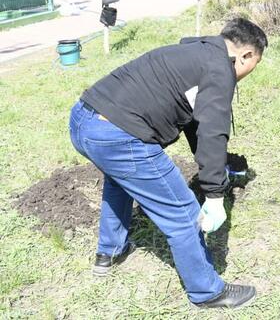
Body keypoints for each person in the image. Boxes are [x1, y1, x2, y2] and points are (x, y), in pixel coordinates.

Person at [69, 17, 267, 309]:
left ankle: (109, 252)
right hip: (117, 135)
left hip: (83, 121)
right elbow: (213, 129)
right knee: (183, 212)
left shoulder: (196, 54)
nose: (249, 73)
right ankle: (207, 292)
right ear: (247, 55)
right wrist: (213, 195)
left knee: (119, 181)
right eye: (255, 65)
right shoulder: (220, 69)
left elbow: (196, 123)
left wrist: (215, 166)